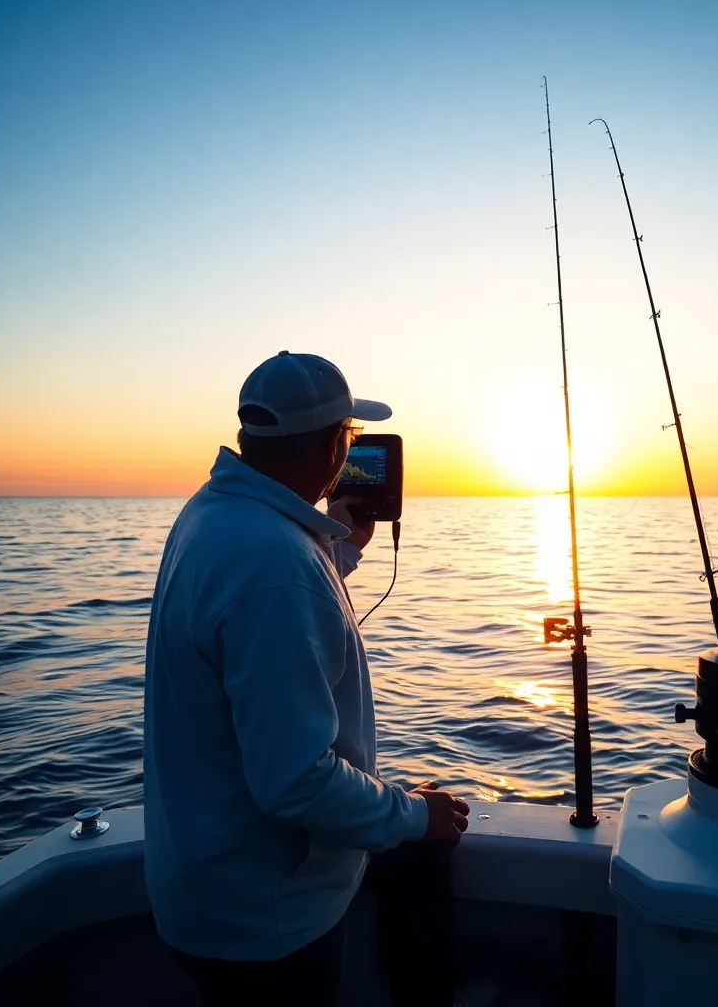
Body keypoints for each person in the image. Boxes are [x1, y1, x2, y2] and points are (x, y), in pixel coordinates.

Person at [143, 351, 471, 1006]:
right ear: (329, 446)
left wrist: (341, 550)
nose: (350, 452)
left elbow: (261, 623)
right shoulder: (275, 566)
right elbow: (295, 780)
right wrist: (413, 815)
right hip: (265, 925)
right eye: (349, 438)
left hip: (212, 888)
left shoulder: (217, 515)